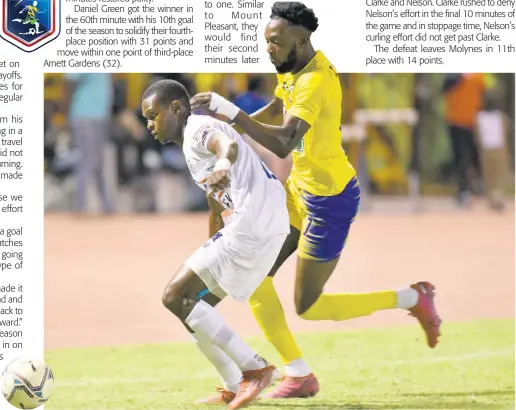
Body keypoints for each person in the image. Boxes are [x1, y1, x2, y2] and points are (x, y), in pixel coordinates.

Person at [191, 1, 442, 400]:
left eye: (275, 41)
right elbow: (277, 108)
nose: (268, 48)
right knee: (254, 277)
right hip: (297, 190)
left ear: (302, 39)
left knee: (309, 305)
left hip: (330, 200)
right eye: (266, 41)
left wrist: (230, 111)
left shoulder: (316, 82)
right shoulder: (294, 70)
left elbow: (286, 139)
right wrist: (225, 122)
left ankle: (414, 297)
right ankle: (297, 373)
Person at [141, 79, 290, 409]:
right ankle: (233, 384)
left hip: (253, 222)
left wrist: (223, 165)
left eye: (153, 115)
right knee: (191, 307)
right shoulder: (189, 142)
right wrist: (212, 244)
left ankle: (254, 368)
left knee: (173, 296)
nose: (149, 124)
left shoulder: (198, 128)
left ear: (176, 108)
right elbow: (215, 201)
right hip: (264, 224)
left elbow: (227, 147)